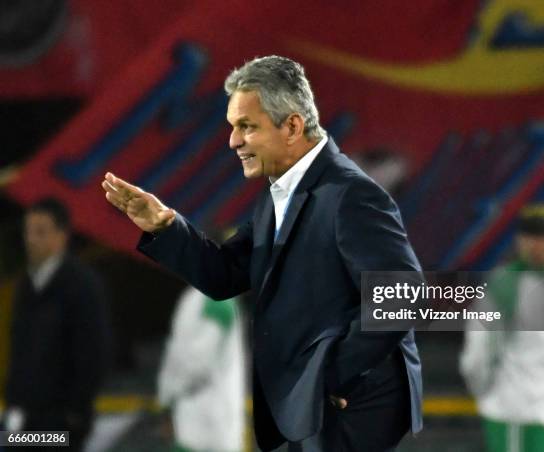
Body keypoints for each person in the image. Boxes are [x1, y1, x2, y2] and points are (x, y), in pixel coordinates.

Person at [102, 55, 423, 451]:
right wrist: (165, 226)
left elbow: (401, 295)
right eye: (234, 127)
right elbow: (224, 275)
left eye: (246, 127)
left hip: (346, 406)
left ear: (291, 125)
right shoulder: (280, 197)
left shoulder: (351, 194)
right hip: (306, 405)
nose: (233, 141)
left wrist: (331, 375)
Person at [460, 204, 544, 452]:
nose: (537, 244)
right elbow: (479, 349)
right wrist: (492, 396)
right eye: (530, 236)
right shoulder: (505, 284)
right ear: (519, 241)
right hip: (518, 414)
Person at [3, 198, 111, 451]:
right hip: (23, 418)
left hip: (60, 423)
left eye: (40, 231)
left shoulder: (83, 286)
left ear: (62, 235)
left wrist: (75, 412)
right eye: (28, 231)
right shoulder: (27, 285)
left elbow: (94, 352)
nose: (31, 239)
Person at [158, 286, 245, 451]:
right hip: (196, 422)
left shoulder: (214, 301)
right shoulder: (196, 298)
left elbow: (196, 363)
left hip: (206, 424)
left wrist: (167, 398)